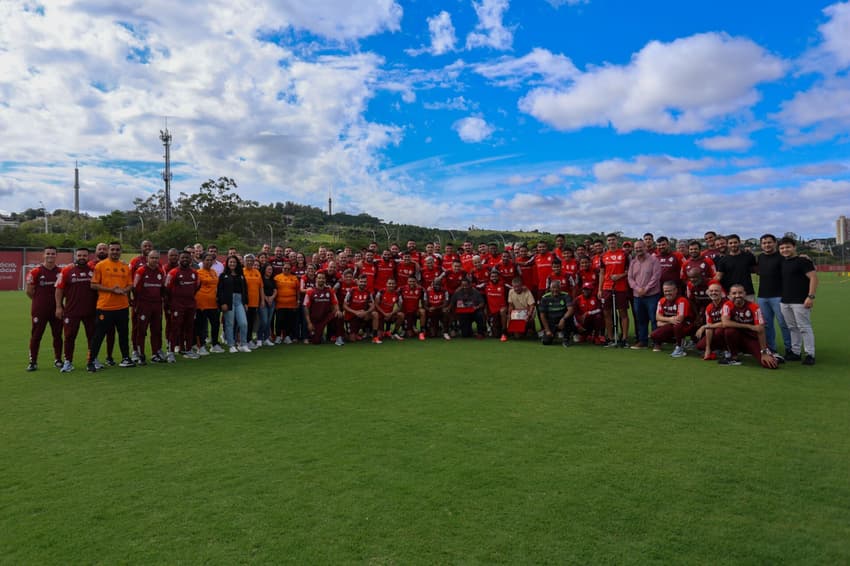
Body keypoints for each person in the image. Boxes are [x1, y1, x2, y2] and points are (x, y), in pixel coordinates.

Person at [88, 241, 135, 370]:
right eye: (112, 249)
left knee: (123, 334)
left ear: (121, 251)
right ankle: (91, 361)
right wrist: (111, 290)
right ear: (109, 251)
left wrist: (125, 290)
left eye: (117, 250)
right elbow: (93, 284)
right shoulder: (101, 266)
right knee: (99, 335)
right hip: (105, 307)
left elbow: (130, 284)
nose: (115, 252)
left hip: (122, 307)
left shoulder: (125, 267)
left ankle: (126, 358)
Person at [55, 247, 98, 372]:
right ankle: (68, 362)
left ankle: (92, 360)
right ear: (75, 256)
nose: (82, 258)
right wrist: (58, 306)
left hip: (90, 311)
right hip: (71, 311)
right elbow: (59, 289)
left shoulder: (94, 270)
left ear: (88, 256)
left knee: (92, 337)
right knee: (69, 336)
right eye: (79, 255)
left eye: (84, 256)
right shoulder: (67, 270)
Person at [778, 237, 818, 365]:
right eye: (782, 248)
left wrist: (810, 296)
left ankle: (810, 354)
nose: (785, 250)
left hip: (800, 301)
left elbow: (813, 278)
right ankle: (795, 352)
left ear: (794, 247)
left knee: (804, 327)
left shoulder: (803, 261)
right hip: (785, 301)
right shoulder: (783, 262)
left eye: (788, 247)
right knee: (792, 327)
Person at [720, 284, 779, 368]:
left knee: (771, 365)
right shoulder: (727, 305)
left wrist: (764, 352)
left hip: (752, 338)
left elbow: (760, 329)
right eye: (734, 293)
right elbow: (725, 323)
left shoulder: (754, 307)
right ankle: (733, 357)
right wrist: (749, 326)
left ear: (745, 294)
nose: (737, 295)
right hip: (737, 336)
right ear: (729, 295)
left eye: (740, 293)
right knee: (728, 331)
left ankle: (770, 354)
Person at [25, 246, 63, 371]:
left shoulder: (61, 272)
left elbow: (64, 290)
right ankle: (33, 361)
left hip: (57, 309)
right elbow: (29, 291)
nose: (50, 255)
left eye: (53, 253)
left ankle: (58, 359)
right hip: (39, 310)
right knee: (36, 335)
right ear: (44, 255)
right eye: (48, 253)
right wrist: (39, 302)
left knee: (57, 335)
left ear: (56, 255)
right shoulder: (35, 272)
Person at [755, 233, 791, 357]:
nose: (767, 245)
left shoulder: (782, 256)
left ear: (775, 243)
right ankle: (771, 348)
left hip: (779, 296)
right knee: (767, 325)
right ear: (761, 245)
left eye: (769, 242)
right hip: (762, 297)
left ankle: (789, 349)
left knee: (783, 323)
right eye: (764, 243)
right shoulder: (760, 258)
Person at [164, 251, 199, 363]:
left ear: (191, 259)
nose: (185, 260)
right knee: (175, 328)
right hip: (177, 306)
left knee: (189, 328)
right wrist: (170, 304)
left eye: (187, 258)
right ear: (179, 258)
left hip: (190, 305)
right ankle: (170, 352)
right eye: (183, 257)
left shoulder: (194, 273)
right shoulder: (173, 273)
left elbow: (196, 287)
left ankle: (188, 350)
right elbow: (166, 289)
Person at [132, 249, 165, 364]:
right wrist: (136, 303)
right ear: (147, 258)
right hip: (143, 305)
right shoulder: (141, 271)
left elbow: (162, 289)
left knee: (156, 330)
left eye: (156, 258)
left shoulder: (160, 272)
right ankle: (140, 354)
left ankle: (155, 354)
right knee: (141, 330)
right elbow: (134, 288)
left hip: (156, 306)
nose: (154, 260)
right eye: (152, 258)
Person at [627, 240, 661, 349]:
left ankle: (657, 342)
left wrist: (645, 289)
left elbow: (656, 277)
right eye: (636, 248)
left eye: (640, 247)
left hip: (652, 295)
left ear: (645, 247)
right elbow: (630, 278)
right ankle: (643, 341)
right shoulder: (633, 262)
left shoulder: (654, 260)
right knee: (641, 319)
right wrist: (638, 289)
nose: (638, 249)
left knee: (654, 319)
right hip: (638, 296)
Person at [598, 233, 630, 347]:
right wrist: (599, 289)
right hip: (607, 287)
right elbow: (602, 273)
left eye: (613, 240)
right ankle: (611, 338)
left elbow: (629, 271)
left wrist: (620, 276)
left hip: (621, 287)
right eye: (609, 240)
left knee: (623, 313)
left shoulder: (624, 254)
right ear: (607, 242)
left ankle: (625, 338)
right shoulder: (603, 256)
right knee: (607, 313)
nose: (611, 242)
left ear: (617, 241)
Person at [650, 280, 694, 358]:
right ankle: (679, 341)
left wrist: (662, 322)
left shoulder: (682, 301)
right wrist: (670, 320)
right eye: (665, 291)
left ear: (676, 290)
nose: (667, 293)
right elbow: (657, 317)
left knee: (677, 325)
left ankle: (679, 348)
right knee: (654, 335)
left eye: (670, 291)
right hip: (671, 325)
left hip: (687, 325)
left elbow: (679, 319)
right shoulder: (661, 301)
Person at [218, 255, 251, 353]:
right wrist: (223, 303)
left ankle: (243, 344)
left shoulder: (241, 275)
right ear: (227, 264)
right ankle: (231, 345)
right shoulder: (223, 276)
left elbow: (245, 290)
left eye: (234, 262)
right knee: (229, 324)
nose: (232, 264)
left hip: (239, 301)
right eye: (230, 262)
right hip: (228, 301)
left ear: (237, 264)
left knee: (243, 323)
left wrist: (245, 302)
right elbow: (220, 291)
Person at [303, 272, 344, 345]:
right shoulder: (310, 292)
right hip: (315, 320)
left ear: (325, 280)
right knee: (316, 342)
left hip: (326, 317)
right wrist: (309, 323)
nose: (321, 280)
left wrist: (337, 310)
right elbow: (306, 308)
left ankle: (339, 337)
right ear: (316, 279)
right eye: (319, 278)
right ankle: (319, 334)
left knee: (339, 315)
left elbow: (335, 303)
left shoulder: (330, 291)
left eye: (323, 278)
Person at [714, 234, 757, 301]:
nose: (733, 245)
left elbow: (756, 270)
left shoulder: (749, 256)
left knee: (750, 311)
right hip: (731, 294)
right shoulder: (723, 260)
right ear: (727, 245)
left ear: (739, 242)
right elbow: (718, 276)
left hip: (747, 292)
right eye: (730, 243)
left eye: (735, 242)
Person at [194, 253, 221, 355]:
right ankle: (201, 346)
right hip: (202, 303)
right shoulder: (198, 273)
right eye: (207, 260)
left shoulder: (214, 272)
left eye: (211, 260)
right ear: (202, 261)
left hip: (213, 303)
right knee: (201, 326)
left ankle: (215, 345)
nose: (209, 262)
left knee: (215, 324)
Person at [694, 282, 727, 361]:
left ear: (721, 292)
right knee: (700, 346)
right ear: (708, 293)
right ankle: (712, 350)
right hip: (715, 329)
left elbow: (725, 323)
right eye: (711, 291)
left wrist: (704, 326)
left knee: (720, 331)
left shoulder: (727, 304)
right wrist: (707, 348)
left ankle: (727, 350)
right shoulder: (709, 307)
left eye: (716, 291)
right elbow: (709, 326)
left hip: (728, 330)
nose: (713, 293)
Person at [538, 279, 575, 346]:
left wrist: (563, 319)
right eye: (553, 288)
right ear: (550, 288)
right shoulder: (545, 298)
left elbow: (571, 309)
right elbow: (542, 315)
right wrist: (547, 330)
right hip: (551, 321)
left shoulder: (566, 295)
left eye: (557, 288)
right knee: (546, 342)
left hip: (563, 320)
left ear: (560, 288)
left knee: (569, 317)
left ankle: (566, 338)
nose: (555, 290)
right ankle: (552, 333)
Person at [343, 274, 378, 342]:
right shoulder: (351, 291)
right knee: (352, 339)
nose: (363, 283)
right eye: (361, 281)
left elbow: (373, 306)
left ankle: (375, 336)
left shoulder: (368, 292)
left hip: (363, 315)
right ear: (357, 282)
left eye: (364, 282)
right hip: (352, 316)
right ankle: (348, 333)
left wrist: (366, 312)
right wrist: (355, 312)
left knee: (375, 314)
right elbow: (344, 306)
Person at [273, 261, 299, 344]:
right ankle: (278, 336)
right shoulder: (277, 277)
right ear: (282, 268)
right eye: (285, 268)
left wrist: (298, 300)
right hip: (280, 304)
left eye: (288, 269)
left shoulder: (294, 278)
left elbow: (297, 290)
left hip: (291, 304)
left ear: (291, 269)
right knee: (279, 320)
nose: (286, 270)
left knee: (289, 321)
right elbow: (274, 289)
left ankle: (287, 336)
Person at [243, 254, 262, 348]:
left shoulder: (257, 272)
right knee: (243, 323)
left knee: (251, 322)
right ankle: (242, 340)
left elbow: (261, 287)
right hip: (245, 302)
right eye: (247, 260)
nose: (249, 262)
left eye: (251, 260)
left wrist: (262, 300)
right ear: (244, 261)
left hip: (255, 302)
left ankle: (249, 340)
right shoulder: (242, 272)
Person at [484, 270, 508, 341]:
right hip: (492, 312)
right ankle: (488, 329)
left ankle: (504, 332)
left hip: (502, 311)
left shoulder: (503, 285)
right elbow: (474, 286)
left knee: (502, 311)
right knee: (496, 335)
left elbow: (514, 288)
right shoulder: (486, 286)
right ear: (490, 277)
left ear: (498, 277)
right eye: (492, 276)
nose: (494, 278)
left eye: (495, 276)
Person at [399, 275, 426, 340]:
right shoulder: (402, 289)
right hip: (406, 312)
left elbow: (424, 298)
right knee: (410, 335)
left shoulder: (420, 289)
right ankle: (405, 329)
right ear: (407, 282)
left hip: (415, 312)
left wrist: (421, 307)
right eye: (410, 281)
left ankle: (421, 332)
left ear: (416, 282)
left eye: (413, 281)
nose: (411, 283)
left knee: (423, 311)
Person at [258, 263, 277, 346]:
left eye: (271, 270)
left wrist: (272, 298)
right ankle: (259, 339)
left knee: (269, 322)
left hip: (271, 302)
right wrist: (266, 298)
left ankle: (266, 338)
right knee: (264, 321)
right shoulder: (261, 279)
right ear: (264, 269)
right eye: (268, 269)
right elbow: (260, 290)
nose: (270, 271)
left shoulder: (272, 279)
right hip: (263, 302)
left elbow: (275, 290)